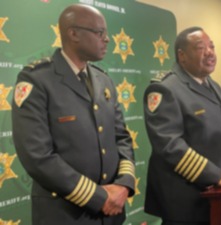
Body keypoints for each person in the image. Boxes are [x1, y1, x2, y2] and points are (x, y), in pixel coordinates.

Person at [12, 4, 135, 225]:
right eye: (100, 33)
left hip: (112, 214)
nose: (107, 39)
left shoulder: (103, 80)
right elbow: (37, 156)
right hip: (66, 214)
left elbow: (122, 138)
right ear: (73, 33)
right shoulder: (37, 80)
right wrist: (98, 197)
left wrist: (124, 184)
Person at [143, 27, 221, 225]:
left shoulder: (213, 85)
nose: (210, 52)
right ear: (182, 56)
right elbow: (170, 146)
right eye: (201, 48)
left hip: (215, 194)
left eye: (212, 46)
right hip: (186, 200)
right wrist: (217, 175)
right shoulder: (165, 88)